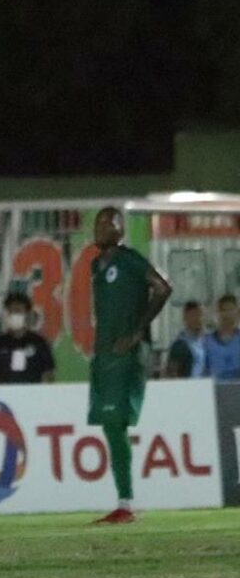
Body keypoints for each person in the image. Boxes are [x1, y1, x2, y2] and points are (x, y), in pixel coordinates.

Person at [88, 207, 172, 524]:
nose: (98, 229)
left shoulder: (129, 259)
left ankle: (126, 504)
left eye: (106, 223)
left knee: (115, 423)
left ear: (120, 230)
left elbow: (163, 287)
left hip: (125, 354)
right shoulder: (97, 265)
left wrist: (137, 332)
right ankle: (124, 503)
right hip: (105, 354)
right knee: (111, 426)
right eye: (96, 223)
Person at [0, 292, 56, 384]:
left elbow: (48, 373)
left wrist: (41, 392)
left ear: (27, 314)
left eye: (18, 311)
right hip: (5, 395)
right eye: (10, 311)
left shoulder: (39, 343)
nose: (14, 314)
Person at [164, 301, 206, 378]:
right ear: (185, 318)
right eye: (194, 315)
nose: (198, 319)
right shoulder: (179, 345)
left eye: (201, 315)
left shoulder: (208, 341)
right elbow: (171, 374)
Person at [203, 294, 240, 380]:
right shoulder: (206, 342)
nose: (227, 314)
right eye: (223, 310)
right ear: (218, 313)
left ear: (238, 312)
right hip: (214, 390)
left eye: (230, 310)